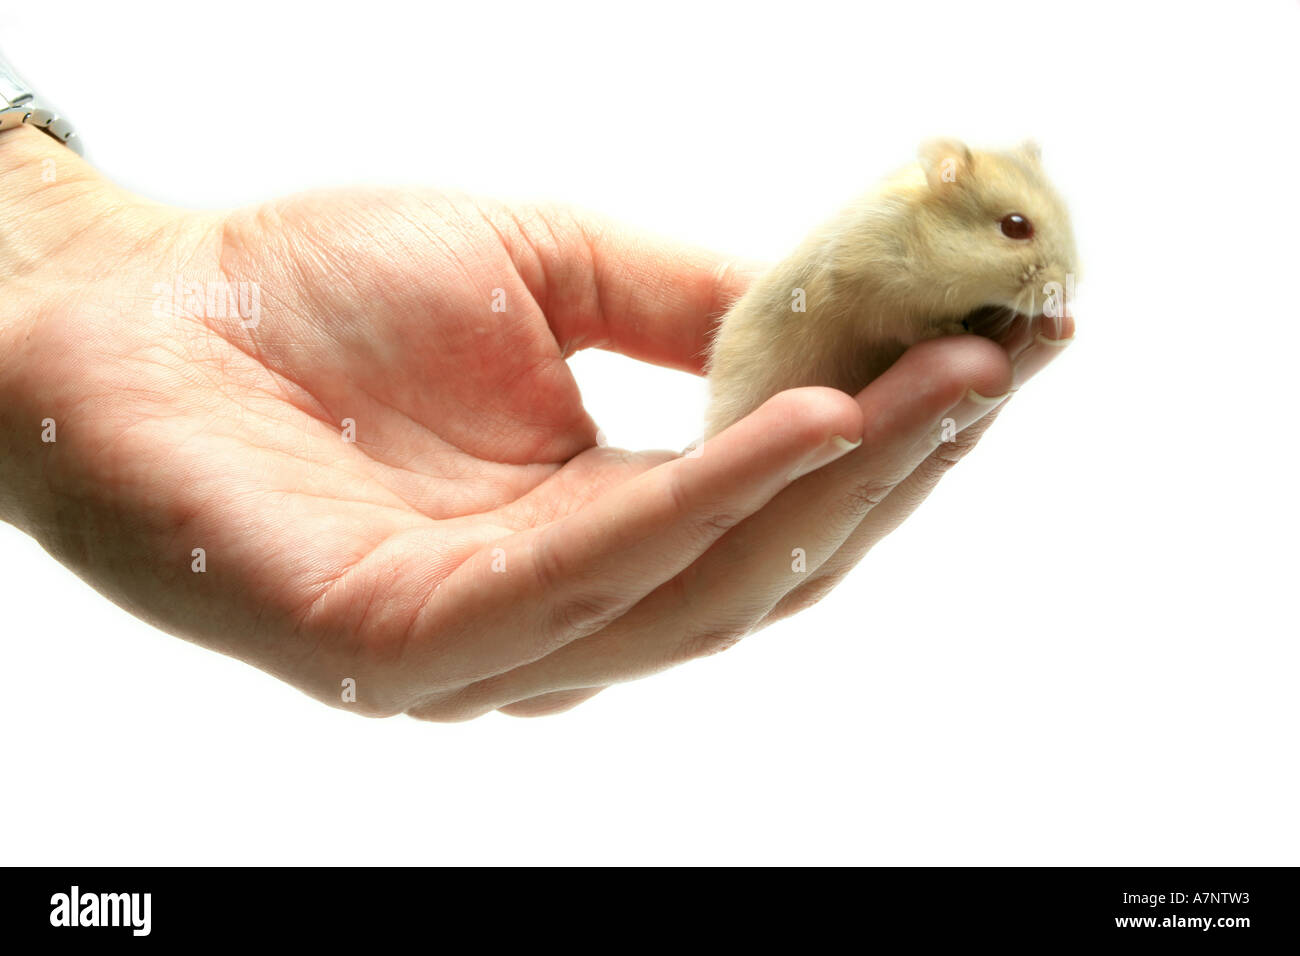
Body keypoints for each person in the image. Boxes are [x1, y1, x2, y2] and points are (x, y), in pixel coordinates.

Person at [0, 125, 1072, 720]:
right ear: (940, 189)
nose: (1043, 263)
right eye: (1017, 231)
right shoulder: (883, 244)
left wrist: (72, 247)